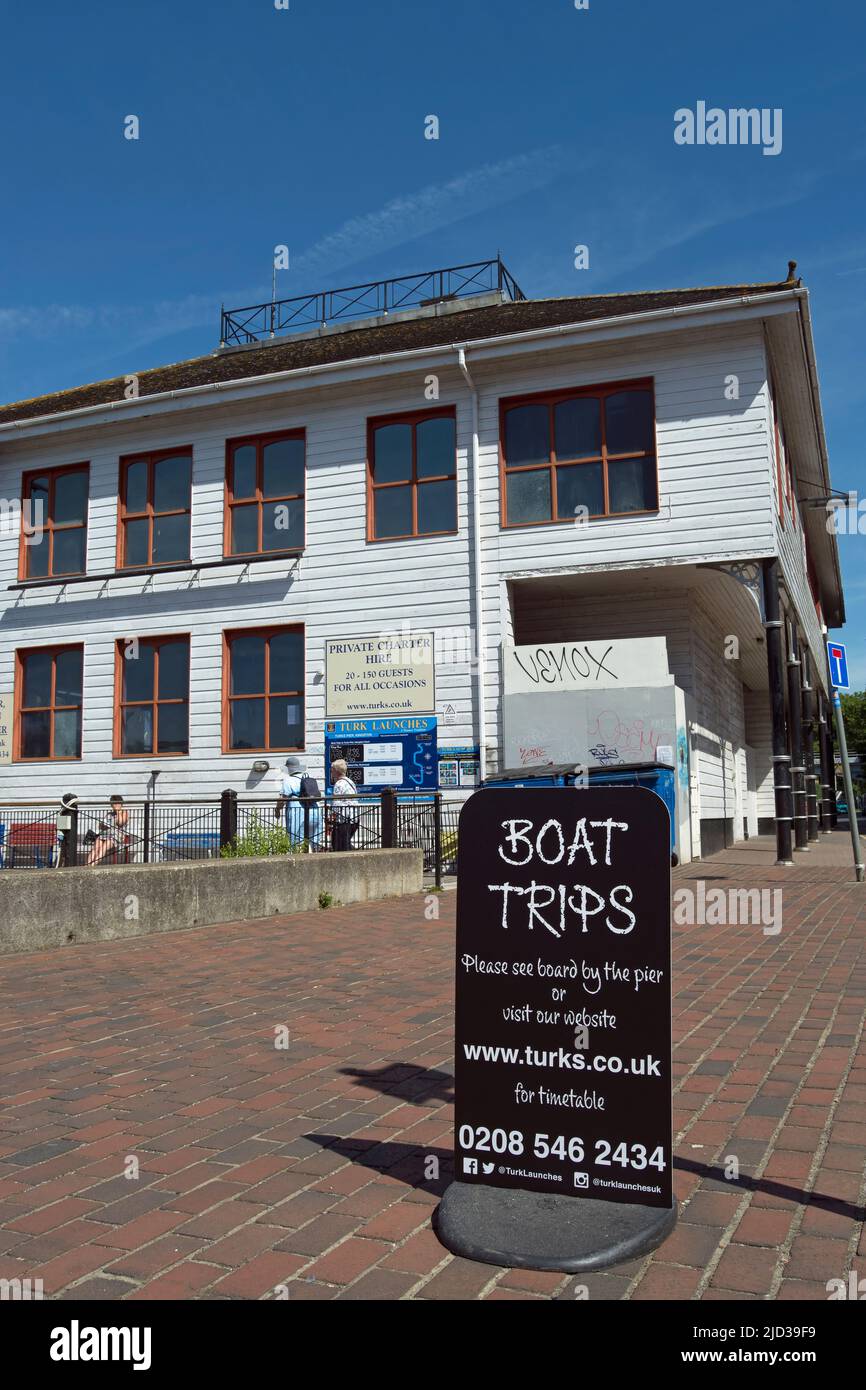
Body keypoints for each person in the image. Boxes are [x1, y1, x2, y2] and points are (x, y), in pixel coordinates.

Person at [275, 756, 323, 849]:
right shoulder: (307, 777)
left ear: (288, 768)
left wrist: (277, 810)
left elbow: (282, 798)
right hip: (314, 810)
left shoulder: (288, 780)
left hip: (298, 813)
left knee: (297, 841)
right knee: (313, 840)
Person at [86, 795, 129, 866]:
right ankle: (87, 865)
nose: (115, 805)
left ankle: (92, 865)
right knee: (95, 847)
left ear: (121, 804)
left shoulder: (124, 812)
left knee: (103, 848)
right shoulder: (109, 814)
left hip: (116, 835)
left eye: (117, 803)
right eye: (114, 803)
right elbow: (100, 826)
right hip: (105, 834)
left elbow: (121, 823)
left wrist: (118, 812)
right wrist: (103, 825)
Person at [329, 759, 359, 851]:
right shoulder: (350, 782)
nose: (331, 772)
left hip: (344, 819)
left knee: (338, 844)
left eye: (332, 770)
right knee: (345, 843)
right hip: (354, 818)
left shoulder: (339, 784)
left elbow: (336, 804)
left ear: (336, 771)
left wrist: (332, 816)